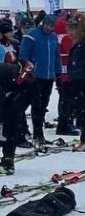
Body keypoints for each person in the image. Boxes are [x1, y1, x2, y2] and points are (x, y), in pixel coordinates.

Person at [20, 11, 64, 144]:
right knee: (36, 104)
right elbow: (24, 54)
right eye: (47, 25)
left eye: (52, 26)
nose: (49, 28)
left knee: (44, 104)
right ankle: (37, 133)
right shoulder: (32, 35)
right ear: (43, 23)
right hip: (36, 75)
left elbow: (56, 57)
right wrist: (28, 69)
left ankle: (40, 133)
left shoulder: (53, 37)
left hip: (49, 75)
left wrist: (58, 73)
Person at [63, 15, 85, 145]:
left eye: (71, 30)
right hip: (76, 80)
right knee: (79, 110)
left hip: (81, 81)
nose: (69, 33)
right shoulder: (76, 44)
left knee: (82, 110)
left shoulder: (82, 45)